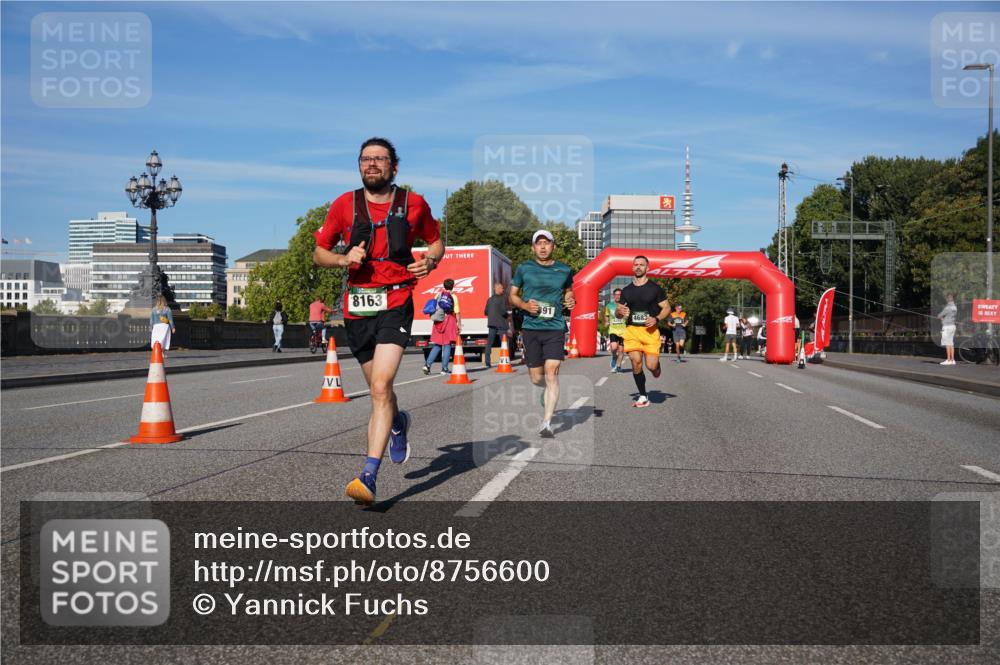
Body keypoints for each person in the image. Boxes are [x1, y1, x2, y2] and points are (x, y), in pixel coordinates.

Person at [313, 137, 444, 505]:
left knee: (381, 386)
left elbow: (436, 242)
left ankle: (368, 475)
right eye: (365, 159)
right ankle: (399, 422)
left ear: (394, 166)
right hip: (358, 307)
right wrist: (342, 259)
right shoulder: (344, 205)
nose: (372, 164)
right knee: (379, 391)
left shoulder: (414, 204)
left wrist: (430, 261)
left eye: (380, 159)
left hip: (397, 300)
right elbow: (319, 253)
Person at [509, 229, 575, 437]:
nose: (543, 246)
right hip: (531, 327)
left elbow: (569, 291)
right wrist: (525, 306)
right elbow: (512, 296)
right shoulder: (524, 269)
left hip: (555, 327)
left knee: (552, 371)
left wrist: (571, 299)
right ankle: (545, 390)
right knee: (537, 378)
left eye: (547, 243)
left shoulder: (564, 270)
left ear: (553, 246)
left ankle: (546, 423)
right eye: (539, 243)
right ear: (533, 247)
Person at [617, 256, 670, 408]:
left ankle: (656, 366)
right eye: (636, 265)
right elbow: (619, 313)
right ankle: (643, 395)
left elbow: (666, 308)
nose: (638, 267)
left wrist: (657, 319)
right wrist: (620, 312)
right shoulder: (626, 291)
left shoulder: (655, 289)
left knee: (651, 367)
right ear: (633, 268)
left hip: (650, 331)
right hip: (632, 330)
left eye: (642, 265)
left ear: (647, 268)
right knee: (636, 362)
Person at [424, 279, 461, 375]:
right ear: (453, 286)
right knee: (447, 344)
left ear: (444, 286)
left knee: (437, 344)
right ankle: (444, 368)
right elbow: (457, 312)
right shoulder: (453, 296)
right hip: (449, 320)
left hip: (438, 322)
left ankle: (427, 365)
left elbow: (433, 307)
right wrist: (459, 324)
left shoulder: (438, 295)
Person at [483, 281, 509, 369]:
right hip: (501, 323)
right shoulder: (503, 298)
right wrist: (507, 314)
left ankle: (487, 362)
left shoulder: (489, 299)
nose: (503, 289)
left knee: (489, 343)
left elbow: (485, 312)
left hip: (491, 323)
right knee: (504, 343)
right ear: (497, 289)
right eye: (502, 288)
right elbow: (503, 311)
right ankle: (505, 360)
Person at [604, 288, 628, 373]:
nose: (618, 296)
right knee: (614, 347)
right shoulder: (609, 306)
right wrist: (606, 322)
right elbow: (606, 315)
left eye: (619, 295)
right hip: (613, 329)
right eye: (616, 294)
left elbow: (628, 316)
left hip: (623, 330)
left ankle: (618, 367)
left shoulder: (625, 305)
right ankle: (614, 356)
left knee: (621, 350)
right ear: (613, 296)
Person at [938, 293, 957, 366]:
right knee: (951, 343)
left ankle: (948, 360)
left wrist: (942, 318)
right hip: (952, 326)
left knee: (947, 343)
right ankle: (952, 360)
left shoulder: (947, 307)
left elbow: (939, 315)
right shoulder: (955, 307)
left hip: (947, 327)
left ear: (948, 299)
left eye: (946, 299)